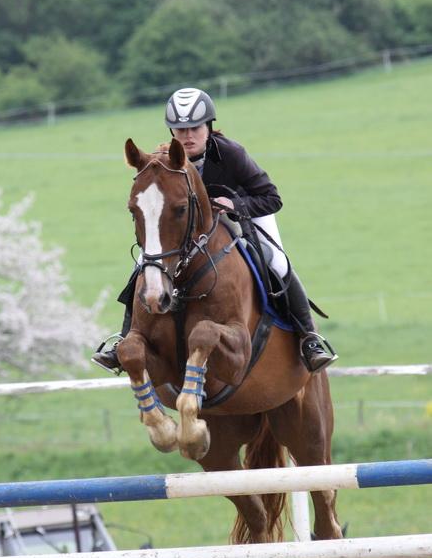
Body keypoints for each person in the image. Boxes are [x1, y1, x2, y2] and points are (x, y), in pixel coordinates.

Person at [92, 87, 337, 374]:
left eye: (195, 128)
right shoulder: (165, 160)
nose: (188, 136)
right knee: (145, 263)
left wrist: (234, 204)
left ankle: (309, 338)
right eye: (180, 130)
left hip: (242, 214)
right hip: (191, 227)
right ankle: (123, 338)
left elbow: (272, 198)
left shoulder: (231, 154)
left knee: (277, 262)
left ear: (208, 126)